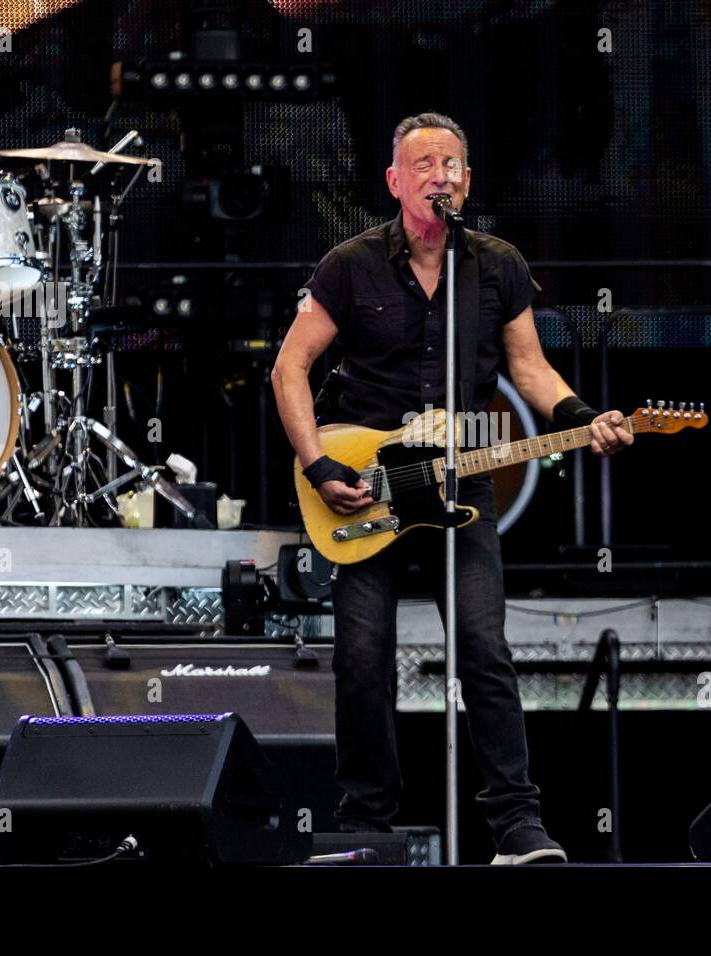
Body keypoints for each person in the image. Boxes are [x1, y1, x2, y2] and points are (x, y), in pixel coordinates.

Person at [272, 112, 633, 864]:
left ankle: (517, 829)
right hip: (368, 482)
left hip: (457, 477)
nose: (440, 173)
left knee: (482, 647)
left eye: (453, 163)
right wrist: (318, 466)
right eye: (424, 163)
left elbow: (528, 368)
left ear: (468, 180)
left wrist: (582, 416)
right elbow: (289, 369)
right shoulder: (350, 263)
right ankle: (367, 827)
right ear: (395, 182)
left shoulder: (496, 263)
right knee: (362, 656)